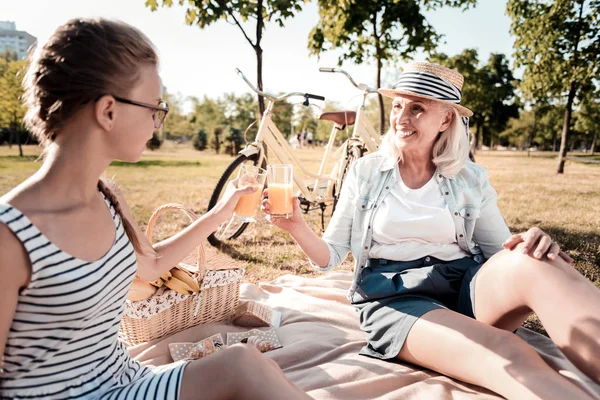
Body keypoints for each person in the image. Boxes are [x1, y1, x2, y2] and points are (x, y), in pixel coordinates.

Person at [0, 18, 310, 400]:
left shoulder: (107, 198)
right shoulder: (10, 236)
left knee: (255, 362)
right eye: (154, 108)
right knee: (241, 367)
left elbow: (151, 263)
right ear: (108, 111)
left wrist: (223, 210)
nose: (157, 123)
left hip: (127, 379)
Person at [263, 62, 600, 400]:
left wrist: (528, 244)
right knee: (506, 351)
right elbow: (329, 257)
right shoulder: (366, 172)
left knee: (538, 263)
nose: (401, 118)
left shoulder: (469, 177)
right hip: (395, 297)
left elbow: (500, 253)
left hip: (465, 284)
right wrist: (296, 226)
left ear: (446, 119)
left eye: (417, 108)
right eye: (398, 106)